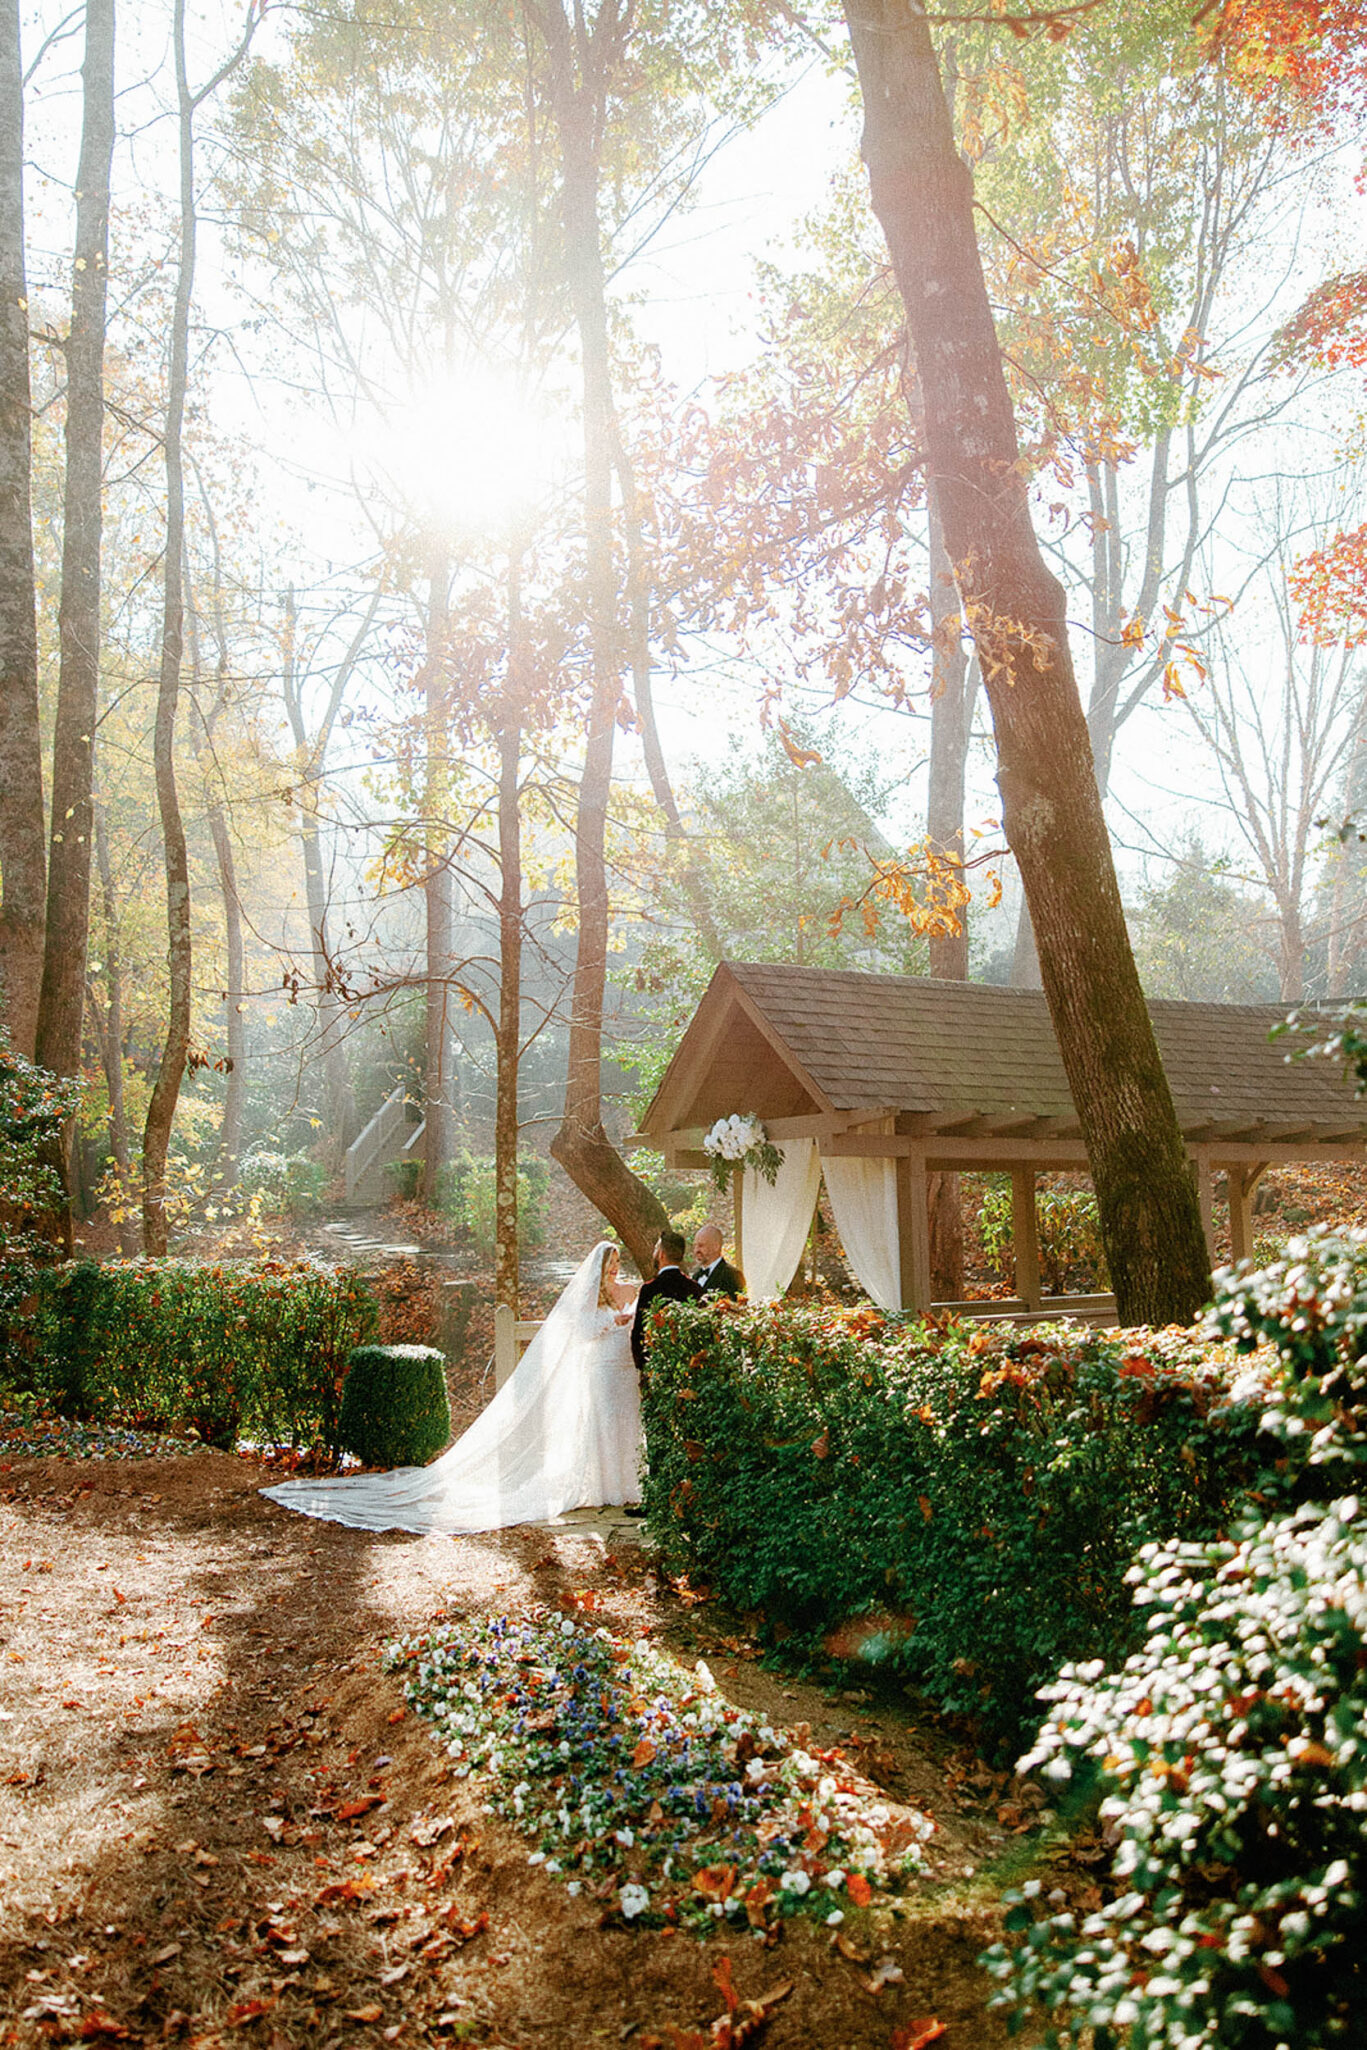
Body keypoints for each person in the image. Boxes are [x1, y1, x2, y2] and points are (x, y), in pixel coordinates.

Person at [261, 1241, 642, 1535]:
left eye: (616, 1266)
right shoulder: (588, 1295)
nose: (613, 1272)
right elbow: (579, 1331)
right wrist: (612, 1324)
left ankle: (618, 1485)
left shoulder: (619, 1291)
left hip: (618, 1369)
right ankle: (602, 1486)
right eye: (609, 1266)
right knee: (599, 1424)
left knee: (617, 1423)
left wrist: (626, 1313)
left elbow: (632, 1304)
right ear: (598, 1268)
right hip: (600, 1366)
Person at [630, 1228, 703, 1373]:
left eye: (656, 1248)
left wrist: (643, 1366)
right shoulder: (695, 1288)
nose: (654, 1253)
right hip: (688, 1368)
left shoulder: (649, 1289)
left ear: (661, 1255)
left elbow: (639, 1332)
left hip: (657, 1367)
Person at [692, 1222, 745, 1299]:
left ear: (716, 1247)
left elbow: (736, 1307)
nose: (696, 1250)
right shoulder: (695, 1276)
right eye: (695, 1246)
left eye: (701, 1245)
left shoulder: (732, 1275)